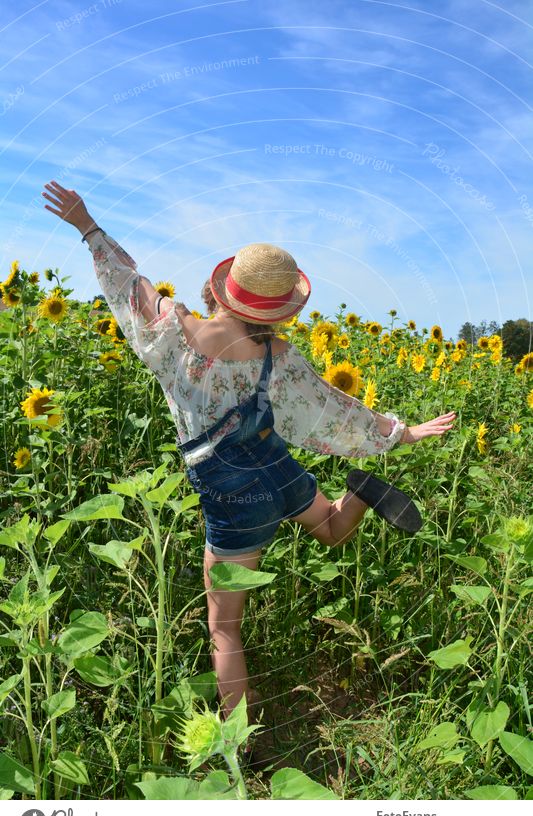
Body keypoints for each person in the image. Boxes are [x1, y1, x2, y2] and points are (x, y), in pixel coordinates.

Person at [42, 181, 456, 738]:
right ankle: (360, 491)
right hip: (276, 469)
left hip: (232, 495)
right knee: (331, 529)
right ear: (279, 309)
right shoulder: (279, 356)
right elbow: (332, 411)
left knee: (224, 628)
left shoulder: (177, 332)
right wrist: (400, 433)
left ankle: (239, 738)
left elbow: (130, 287)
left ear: (224, 291)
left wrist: (88, 228)